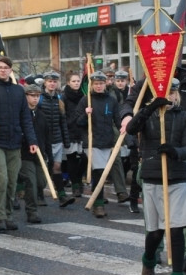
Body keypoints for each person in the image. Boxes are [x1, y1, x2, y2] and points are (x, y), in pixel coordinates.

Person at [126, 79, 186, 275]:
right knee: (156, 232)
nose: (170, 96)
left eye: (173, 92)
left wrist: (175, 152)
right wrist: (150, 108)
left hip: (177, 178)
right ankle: (148, 260)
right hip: (152, 177)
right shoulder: (148, 115)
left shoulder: (185, 117)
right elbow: (131, 129)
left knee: (176, 230)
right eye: (166, 93)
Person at [0, 56, 39, 233]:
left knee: (12, 181)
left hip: (15, 143)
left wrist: (32, 140)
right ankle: (0, 217)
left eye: (6, 67)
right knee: (2, 180)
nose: (3, 70)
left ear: (11, 70)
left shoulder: (19, 91)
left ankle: (9, 215)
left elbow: (25, 118)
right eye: (0, 67)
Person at [70, 71, 122, 218]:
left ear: (105, 84)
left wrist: (125, 131)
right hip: (92, 142)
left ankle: (95, 199)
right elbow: (77, 122)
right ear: (92, 85)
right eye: (96, 84)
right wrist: (86, 114)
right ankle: (98, 205)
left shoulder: (111, 100)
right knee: (99, 173)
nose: (99, 86)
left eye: (101, 83)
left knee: (102, 174)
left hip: (107, 141)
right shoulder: (86, 100)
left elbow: (117, 120)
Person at [37, 70, 71, 204]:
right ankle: (39, 195)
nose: (52, 84)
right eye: (50, 81)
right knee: (42, 168)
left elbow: (63, 121)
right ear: (45, 83)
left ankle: (62, 195)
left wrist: (66, 140)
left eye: (54, 81)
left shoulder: (59, 98)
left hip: (57, 139)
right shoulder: (39, 98)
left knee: (57, 167)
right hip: (43, 141)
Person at [17, 84, 49, 224]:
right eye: (32, 96)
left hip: (40, 154)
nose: (35, 99)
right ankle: (32, 211)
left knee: (41, 182)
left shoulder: (42, 115)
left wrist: (48, 155)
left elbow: (47, 137)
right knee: (31, 182)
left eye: (37, 96)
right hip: (25, 154)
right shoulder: (21, 114)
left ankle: (19, 185)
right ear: (26, 97)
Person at [62, 72, 87, 201]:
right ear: (68, 83)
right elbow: (63, 114)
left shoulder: (84, 96)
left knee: (85, 158)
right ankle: (75, 185)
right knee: (72, 160)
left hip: (82, 130)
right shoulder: (64, 97)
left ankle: (78, 179)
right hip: (70, 130)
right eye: (74, 81)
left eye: (78, 81)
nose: (76, 83)